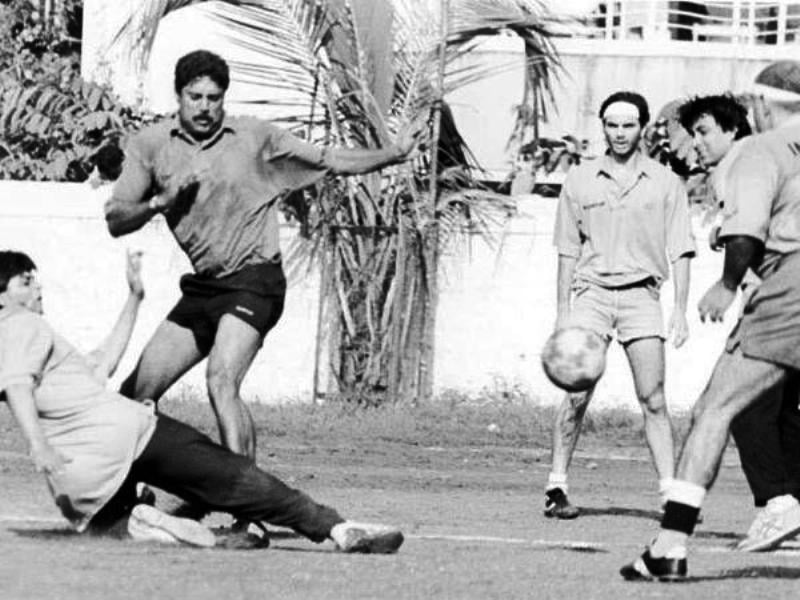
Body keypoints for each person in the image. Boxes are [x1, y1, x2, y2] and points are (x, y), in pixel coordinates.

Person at [104, 49, 419, 461]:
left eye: (214, 98)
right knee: (133, 398)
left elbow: (330, 159)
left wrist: (393, 154)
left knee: (221, 381)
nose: (204, 107)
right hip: (205, 287)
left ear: (224, 99)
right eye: (195, 97)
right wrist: (159, 202)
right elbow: (116, 219)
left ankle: (244, 497)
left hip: (255, 280)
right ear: (178, 96)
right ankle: (133, 489)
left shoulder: (254, 138)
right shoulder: (150, 145)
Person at [0, 249, 404, 553]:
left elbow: (102, 362)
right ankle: (336, 528)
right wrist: (37, 445)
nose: (37, 287)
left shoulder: (21, 339)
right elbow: (17, 384)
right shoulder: (20, 325)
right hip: (129, 434)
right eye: (25, 281)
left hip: (81, 481)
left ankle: (146, 524)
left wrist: (134, 298)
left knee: (108, 529)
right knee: (233, 478)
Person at [621, 60, 800, 581]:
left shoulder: (758, 151)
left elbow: (748, 231)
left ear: (759, 105)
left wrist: (727, 282)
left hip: (791, 286)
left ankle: (670, 544)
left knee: (714, 410)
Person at [545, 90, 696, 519]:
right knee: (577, 391)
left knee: (653, 397)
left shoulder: (666, 182)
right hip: (592, 294)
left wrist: (680, 309)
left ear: (642, 127)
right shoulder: (580, 178)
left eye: (628, 125)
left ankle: (671, 495)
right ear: (603, 127)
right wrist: (562, 312)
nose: (620, 133)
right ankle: (556, 487)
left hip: (641, 296)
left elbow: (681, 249)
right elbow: (567, 249)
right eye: (612, 125)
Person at [678, 93, 800, 553]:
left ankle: (778, 504)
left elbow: (749, 233)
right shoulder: (779, 155)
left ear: (734, 130)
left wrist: (729, 284)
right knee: (783, 411)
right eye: (693, 133)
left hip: (780, 302)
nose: (696, 142)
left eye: (704, 131)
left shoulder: (746, 158)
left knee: (740, 407)